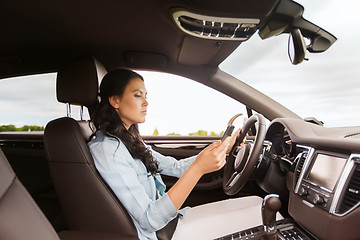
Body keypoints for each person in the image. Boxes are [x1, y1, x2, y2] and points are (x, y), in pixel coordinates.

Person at [88, 69, 262, 240]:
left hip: (172, 221)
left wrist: (226, 147)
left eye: (145, 96)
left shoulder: (129, 140)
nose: (146, 102)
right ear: (115, 101)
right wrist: (198, 169)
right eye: (137, 95)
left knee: (256, 202)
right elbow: (150, 219)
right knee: (261, 214)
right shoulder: (109, 150)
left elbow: (175, 167)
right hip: (161, 234)